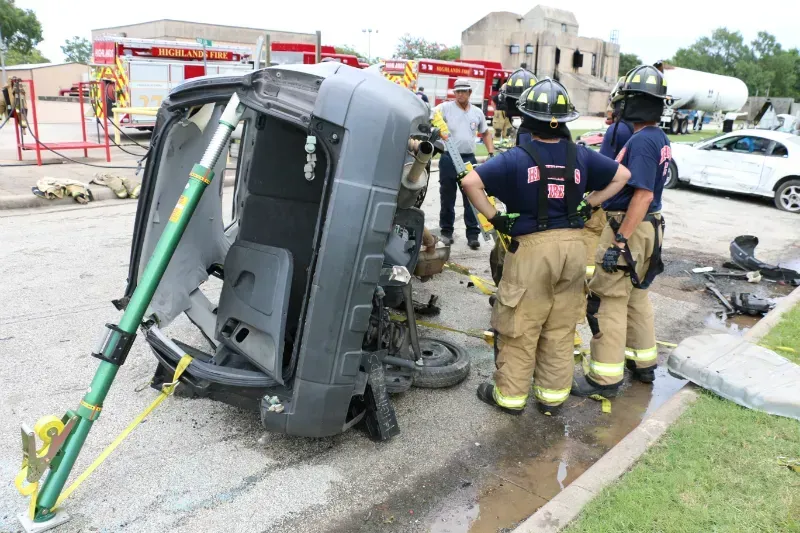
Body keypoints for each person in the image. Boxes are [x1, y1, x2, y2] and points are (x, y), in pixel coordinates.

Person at [460, 78, 631, 415]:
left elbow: (469, 181)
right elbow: (622, 175)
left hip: (532, 251)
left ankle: (509, 397)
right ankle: (552, 397)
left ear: (525, 119)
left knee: (520, 324)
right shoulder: (582, 155)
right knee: (560, 325)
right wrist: (590, 203)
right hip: (573, 248)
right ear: (565, 121)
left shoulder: (516, 158)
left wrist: (496, 218)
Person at [572, 64, 671, 397]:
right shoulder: (658, 137)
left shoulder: (641, 141)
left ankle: (604, 379)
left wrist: (619, 240)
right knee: (637, 296)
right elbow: (629, 184)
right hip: (650, 228)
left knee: (607, 300)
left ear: (633, 102)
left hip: (631, 226)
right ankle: (643, 365)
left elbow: (640, 194)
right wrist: (593, 202)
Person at [434, 77, 495, 249]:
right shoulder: (445, 108)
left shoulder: (477, 112)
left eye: (463, 91)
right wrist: (437, 132)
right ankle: (446, 232)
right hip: (448, 158)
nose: (460, 94)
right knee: (447, 196)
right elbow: (431, 118)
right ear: (454, 93)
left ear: (469, 92)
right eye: (457, 91)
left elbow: (485, 133)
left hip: (469, 159)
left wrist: (491, 153)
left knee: (471, 197)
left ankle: (473, 235)